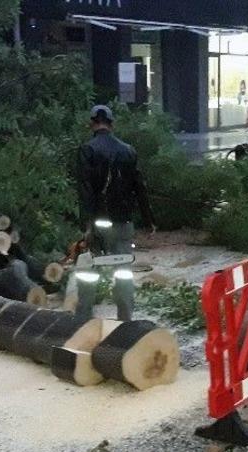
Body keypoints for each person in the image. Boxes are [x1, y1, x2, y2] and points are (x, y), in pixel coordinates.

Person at [75, 104, 155, 320]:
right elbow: (139, 187)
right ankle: (125, 319)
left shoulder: (88, 150)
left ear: (92, 123)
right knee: (123, 271)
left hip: (99, 223)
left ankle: (83, 318)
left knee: (90, 271)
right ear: (112, 124)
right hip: (123, 222)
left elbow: (86, 190)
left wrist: (87, 225)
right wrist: (148, 220)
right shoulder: (128, 151)